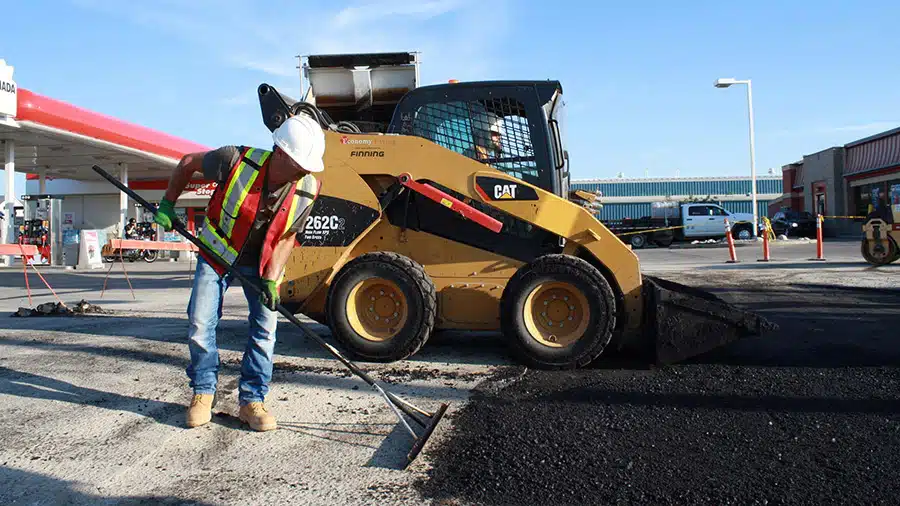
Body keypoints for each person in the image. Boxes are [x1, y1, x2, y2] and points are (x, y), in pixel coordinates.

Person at [153, 113, 326, 431]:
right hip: (217, 254)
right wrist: (167, 204)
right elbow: (188, 162)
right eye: (300, 164)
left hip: (261, 264)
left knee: (265, 330)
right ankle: (203, 392)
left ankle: (252, 401)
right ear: (281, 152)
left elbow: (288, 236)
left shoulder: (308, 186)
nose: (305, 171)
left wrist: (271, 278)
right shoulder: (234, 160)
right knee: (200, 322)